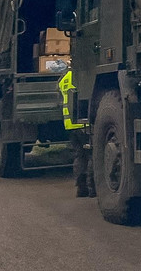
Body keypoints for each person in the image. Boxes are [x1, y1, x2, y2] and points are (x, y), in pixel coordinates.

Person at [59, 69, 94, 197]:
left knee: (79, 155)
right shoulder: (81, 76)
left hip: (70, 125)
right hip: (82, 124)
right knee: (91, 154)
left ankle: (81, 188)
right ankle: (91, 188)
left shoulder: (64, 79)